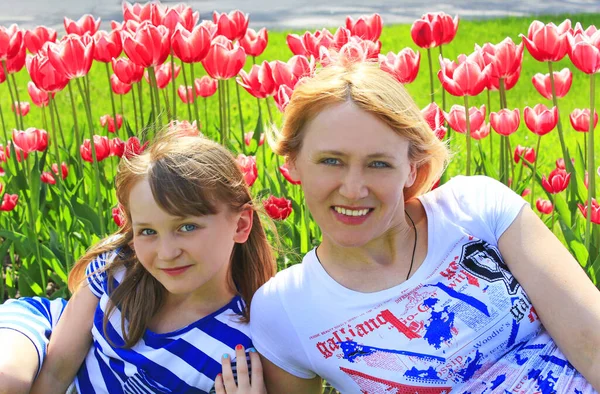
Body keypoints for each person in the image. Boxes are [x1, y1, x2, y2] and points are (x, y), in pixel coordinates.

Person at [250, 60, 600, 393]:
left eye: (378, 164)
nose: (354, 189)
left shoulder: (477, 208)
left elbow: (593, 345)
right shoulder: (285, 308)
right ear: (292, 163)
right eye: (331, 161)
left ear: (412, 169)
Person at [0, 124, 274, 394]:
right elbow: (55, 373)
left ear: (240, 225)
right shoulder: (118, 268)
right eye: (147, 231)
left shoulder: (234, 350)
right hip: (38, 334)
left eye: (187, 227)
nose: (167, 253)